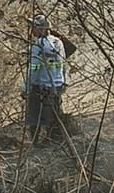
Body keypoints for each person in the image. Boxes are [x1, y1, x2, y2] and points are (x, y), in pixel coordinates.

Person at [22, 15, 75, 145]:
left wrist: (26, 88)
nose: (31, 30)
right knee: (53, 115)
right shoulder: (58, 42)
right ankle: (53, 142)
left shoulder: (37, 46)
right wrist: (63, 81)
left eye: (34, 27)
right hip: (56, 86)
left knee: (35, 117)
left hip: (40, 87)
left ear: (40, 28)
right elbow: (63, 64)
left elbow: (33, 69)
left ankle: (34, 144)